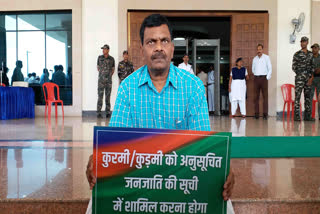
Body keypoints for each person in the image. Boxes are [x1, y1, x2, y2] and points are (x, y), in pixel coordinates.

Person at [85, 14, 235, 214]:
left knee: (224, 205)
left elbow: (202, 148)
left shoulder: (194, 87)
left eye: (164, 41)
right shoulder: (127, 88)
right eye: (151, 42)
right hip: (138, 182)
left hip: (182, 182)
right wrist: (99, 159)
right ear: (142, 50)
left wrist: (222, 169)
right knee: (96, 205)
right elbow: (116, 145)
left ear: (172, 47)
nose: (158, 47)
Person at [292, 36, 314, 121]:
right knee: (297, 97)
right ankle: (296, 116)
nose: (302, 43)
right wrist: (301, 74)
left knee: (307, 97)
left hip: (308, 79)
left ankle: (307, 116)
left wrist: (311, 77)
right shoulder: (297, 54)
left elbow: (312, 67)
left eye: (304, 42)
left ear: (307, 43)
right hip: (299, 79)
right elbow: (293, 67)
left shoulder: (310, 54)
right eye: (301, 42)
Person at [252, 44, 272, 120]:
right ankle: (256, 114)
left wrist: (267, 77)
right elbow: (253, 69)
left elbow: (270, 68)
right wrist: (256, 74)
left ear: (262, 50)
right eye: (257, 49)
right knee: (256, 97)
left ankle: (265, 115)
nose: (259, 51)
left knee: (265, 97)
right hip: (256, 79)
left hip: (264, 78)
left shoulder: (266, 58)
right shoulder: (254, 59)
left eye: (260, 49)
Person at [97, 44, 115, 118]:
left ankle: (108, 112)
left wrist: (108, 76)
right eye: (103, 49)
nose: (103, 50)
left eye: (104, 49)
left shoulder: (112, 59)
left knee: (108, 97)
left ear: (108, 50)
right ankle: (99, 112)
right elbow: (98, 68)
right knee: (100, 97)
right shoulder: (99, 58)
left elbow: (113, 69)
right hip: (101, 81)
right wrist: (102, 74)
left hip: (108, 81)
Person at [310, 43, 320, 120]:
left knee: (319, 98)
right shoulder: (310, 57)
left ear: (318, 49)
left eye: (315, 48)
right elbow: (307, 67)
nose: (314, 49)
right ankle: (309, 116)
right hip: (311, 79)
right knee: (309, 97)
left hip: (319, 79)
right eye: (313, 48)